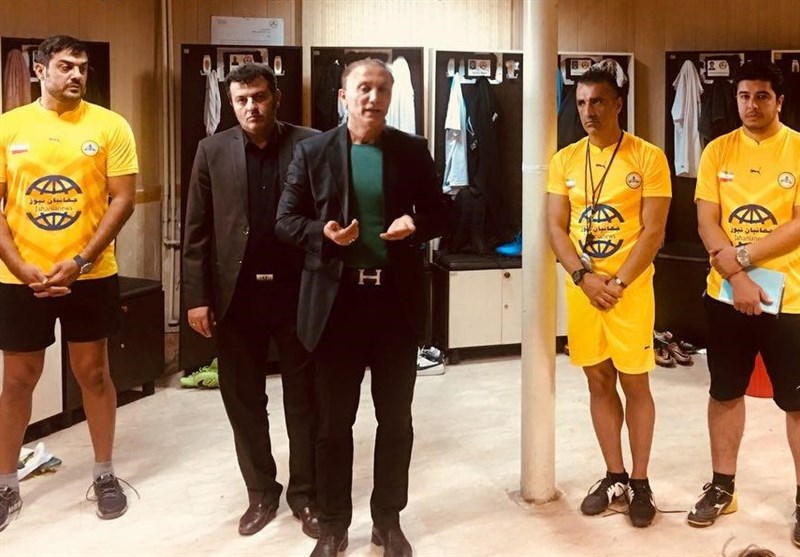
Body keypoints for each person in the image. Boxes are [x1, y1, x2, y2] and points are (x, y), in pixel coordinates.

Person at [276, 58, 448, 557]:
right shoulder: (312, 152)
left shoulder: (411, 151)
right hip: (337, 307)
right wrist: (322, 233)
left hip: (394, 304)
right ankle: (333, 524)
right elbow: (285, 220)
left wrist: (416, 224)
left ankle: (387, 521)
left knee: (396, 421)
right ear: (343, 96)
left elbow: (442, 211)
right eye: (363, 88)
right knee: (333, 424)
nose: (373, 97)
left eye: (382, 89)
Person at [0, 35, 138, 530]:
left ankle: (104, 473)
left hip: (91, 273)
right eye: (65, 66)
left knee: (94, 374)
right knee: (17, 381)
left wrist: (81, 259)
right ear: (40, 70)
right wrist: (18, 265)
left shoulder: (110, 125)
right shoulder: (8, 127)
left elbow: (123, 199)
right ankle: (6, 484)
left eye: (82, 67)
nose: (77, 74)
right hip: (21, 277)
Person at [182, 63, 320, 538]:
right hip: (236, 296)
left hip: (297, 293)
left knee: (305, 398)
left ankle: (306, 493)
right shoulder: (211, 150)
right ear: (231, 102)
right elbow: (197, 230)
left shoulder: (310, 143)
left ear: (276, 97)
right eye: (241, 99)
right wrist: (196, 298)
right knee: (243, 400)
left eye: (259, 97)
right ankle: (261, 491)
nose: (251, 107)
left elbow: (326, 215)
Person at [546, 66, 672, 528]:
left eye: (597, 101)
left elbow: (654, 231)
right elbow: (555, 226)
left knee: (635, 382)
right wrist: (583, 277)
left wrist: (616, 283)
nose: (588, 111)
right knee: (597, 381)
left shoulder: (648, 157)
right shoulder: (564, 160)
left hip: (629, 291)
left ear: (618, 103)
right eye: (581, 103)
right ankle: (614, 475)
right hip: (584, 290)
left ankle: (640, 480)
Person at [689, 60, 800, 548]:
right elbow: (706, 221)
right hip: (726, 295)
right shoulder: (717, 150)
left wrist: (745, 258)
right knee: (725, 392)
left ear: (780, 101)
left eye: (762, 96)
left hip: (791, 297)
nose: (751, 105)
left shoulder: (797, 148)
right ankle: (722, 487)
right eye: (743, 96)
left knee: (797, 402)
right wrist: (737, 277)